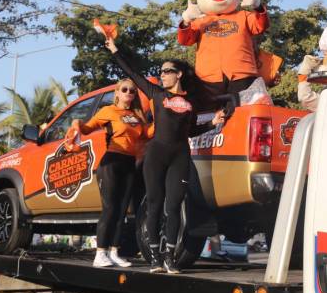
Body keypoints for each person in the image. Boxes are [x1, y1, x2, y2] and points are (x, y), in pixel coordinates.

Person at [102, 35, 224, 274]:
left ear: (178, 74)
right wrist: (115, 49)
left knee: (175, 205)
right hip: (156, 155)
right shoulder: (158, 94)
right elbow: (134, 74)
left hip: (180, 156)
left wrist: (213, 123)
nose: (163, 74)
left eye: (167, 71)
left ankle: (170, 258)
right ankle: (155, 258)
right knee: (155, 204)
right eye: (161, 71)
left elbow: (191, 130)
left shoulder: (190, 101)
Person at [65, 78, 148, 268]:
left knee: (122, 211)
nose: (128, 93)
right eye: (124, 89)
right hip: (111, 162)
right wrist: (78, 123)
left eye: (132, 91)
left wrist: (166, 119)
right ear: (117, 93)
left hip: (129, 163)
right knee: (110, 208)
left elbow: (146, 134)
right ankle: (100, 253)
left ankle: (113, 252)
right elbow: (88, 128)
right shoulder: (108, 111)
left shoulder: (137, 115)